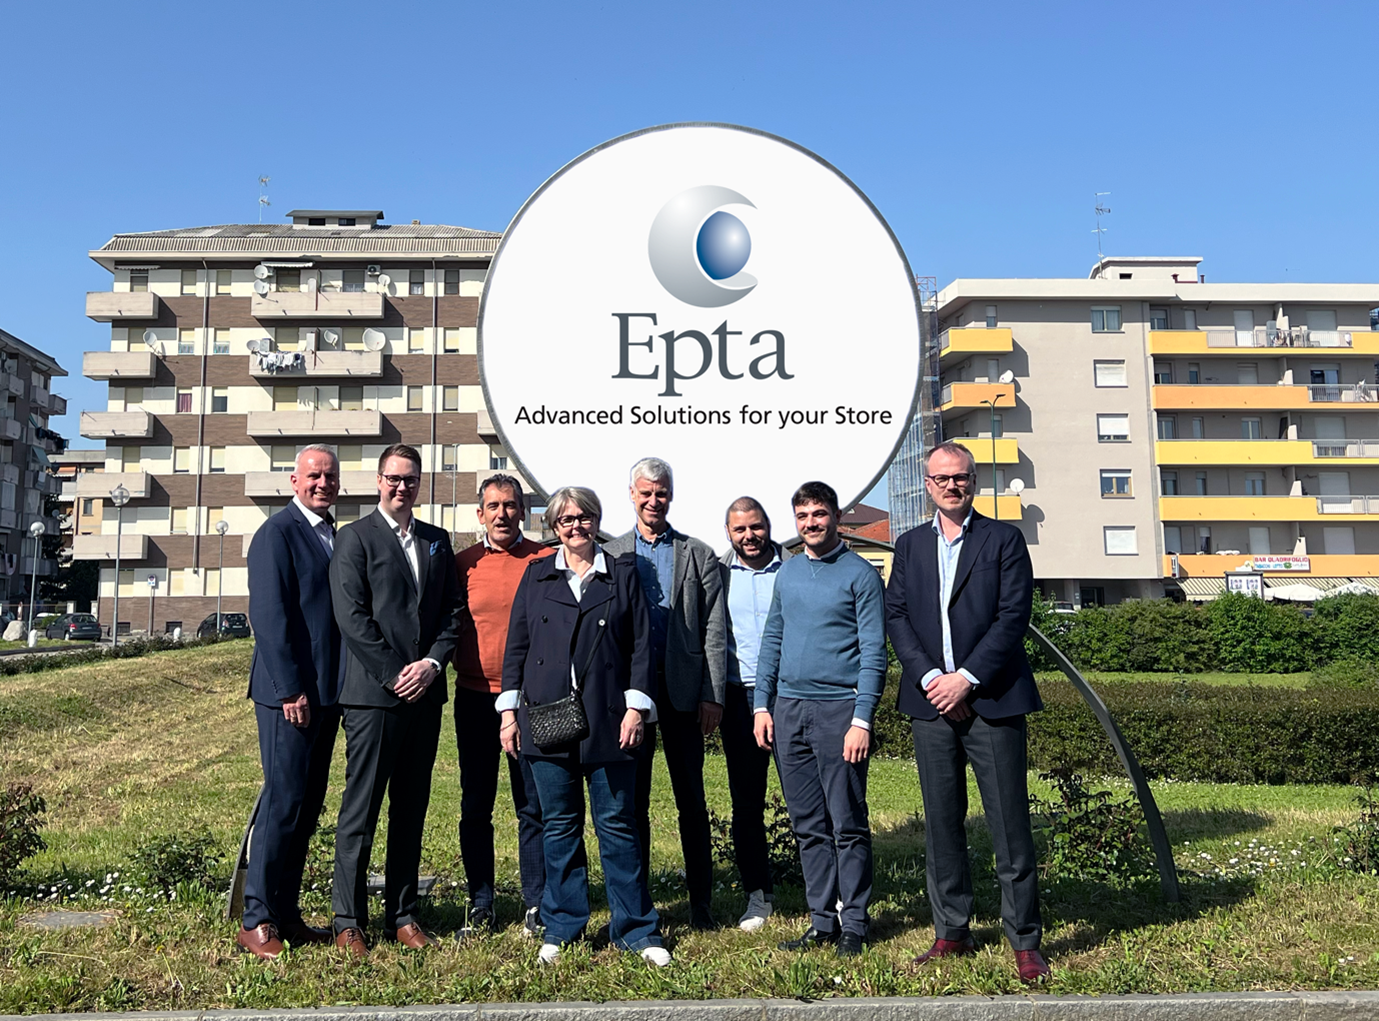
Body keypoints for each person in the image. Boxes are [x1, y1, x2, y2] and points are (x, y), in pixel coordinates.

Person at [885, 441, 1050, 984]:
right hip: (931, 704)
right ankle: (952, 931)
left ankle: (1024, 940)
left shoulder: (1003, 540)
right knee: (942, 825)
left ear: (973, 482)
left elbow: (1012, 617)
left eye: (960, 477)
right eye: (942, 478)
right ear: (928, 486)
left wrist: (966, 679)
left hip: (993, 701)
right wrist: (933, 680)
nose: (952, 485)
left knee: (1009, 823)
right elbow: (897, 616)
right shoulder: (909, 545)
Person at [497, 486, 670, 967]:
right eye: (566, 519)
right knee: (558, 826)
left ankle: (636, 930)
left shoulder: (622, 573)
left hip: (611, 720)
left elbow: (641, 645)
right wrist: (509, 713)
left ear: (597, 521)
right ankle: (562, 927)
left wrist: (637, 708)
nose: (576, 526)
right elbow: (516, 647)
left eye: (584, 517)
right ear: (554, 526)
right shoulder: (537, 575)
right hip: (546, 717)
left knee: (617, 826)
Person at [327, 443, 464, 958]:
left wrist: (432, 665)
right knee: (360, 810)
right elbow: (352, 616)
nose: (401, 487)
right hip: (374, 698)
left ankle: (403, 914)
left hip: (424, 696)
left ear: (419, 483)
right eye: (393, 478)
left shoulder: (436, 540)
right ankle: (348, 920)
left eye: (410, 479)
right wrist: (394, 674)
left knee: (411, 808)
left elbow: (453, 612)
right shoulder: (355, 537)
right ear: (379, 481)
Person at [753, 481, 886, 959]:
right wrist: (762, 705)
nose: (811, 523)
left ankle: (855, 922)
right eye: (803, 516)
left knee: (847, 822)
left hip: (838, 712)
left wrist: (861, 719)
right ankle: (822, 921)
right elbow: (773, 639)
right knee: (808, 824)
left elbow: (874, 652)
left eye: (819, 514)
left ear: (836, 517)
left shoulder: (860, 575)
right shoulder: (787, 573)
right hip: (789, 710)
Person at [604, 457, 725, 930]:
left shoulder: (698, 554)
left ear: (671, 496)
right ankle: (638, 902)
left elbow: (714, 628)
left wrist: (712, 694)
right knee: (631, 805)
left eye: (662, 493)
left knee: (691, 801)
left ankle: (701, 903)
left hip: (684, 694)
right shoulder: (611, 553)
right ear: (631, 495)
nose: (654, 501)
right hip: (630, 697)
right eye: (646, 493)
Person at [237, 444, 344, 960]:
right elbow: (269, 615)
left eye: (330, 476)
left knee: (306, 806)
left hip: (326, 695)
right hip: (291, 697)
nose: (322, 483)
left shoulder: (332, 535)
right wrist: (289, 690)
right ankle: (256, 918)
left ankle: (286, 912)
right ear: (294, 482)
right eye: (313, 475)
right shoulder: (276, 534)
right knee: (282, 804)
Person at [452, 473, 551, 938]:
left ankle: (537, 902)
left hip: (531, 701)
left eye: (510, 505)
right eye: (493, 506)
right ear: (480, 514)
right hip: (475, 698)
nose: (502, 514)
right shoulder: (463, 564)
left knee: (532, 805)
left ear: (523, 512)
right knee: (476, 805)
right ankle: (481, 902)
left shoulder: (544, 560)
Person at [717, 496, 790, 931]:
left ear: (768, 525)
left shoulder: (794, 569)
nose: (749, 536)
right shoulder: (718, 575)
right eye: (740, 529)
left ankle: (831, 893)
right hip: (738, 697)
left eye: (756, 526)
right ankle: (757, 896)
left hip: (790, 696)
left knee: (809, 800)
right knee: (746, 803)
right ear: (728, 533)